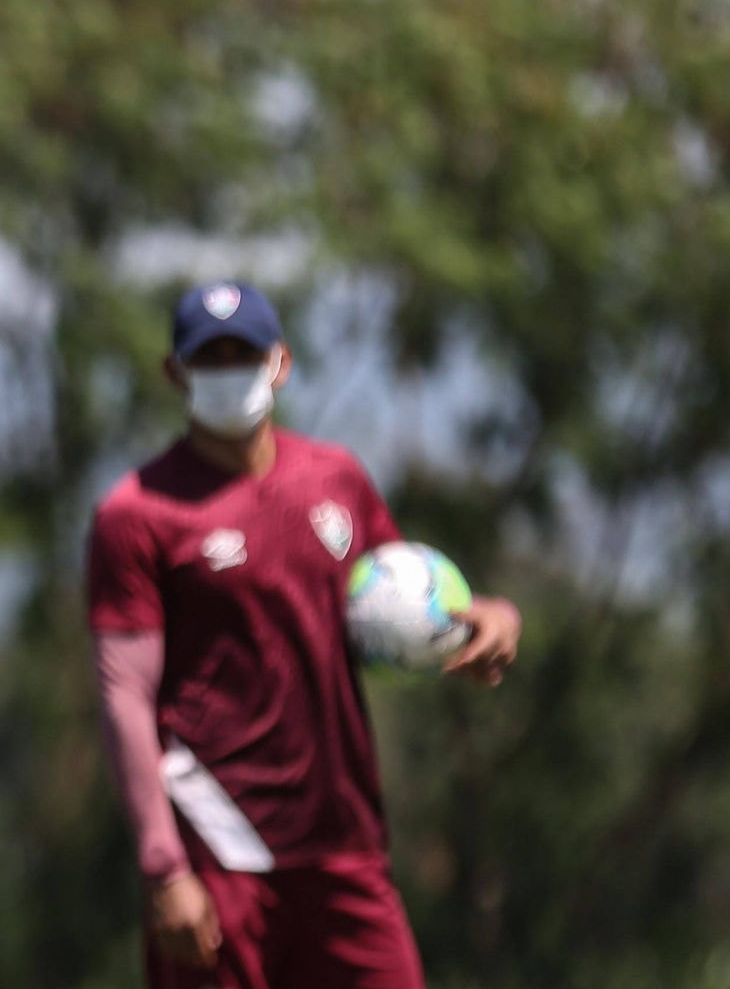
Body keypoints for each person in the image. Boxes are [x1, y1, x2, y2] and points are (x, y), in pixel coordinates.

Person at [86, 281, 521, 989]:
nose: (229, 372)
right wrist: (165, 868)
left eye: (245, 355)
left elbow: (404, 606)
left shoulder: (337, 480)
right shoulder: (136, 515)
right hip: (218, 852)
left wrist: (494, 621)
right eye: (210, 358)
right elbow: (124, 694)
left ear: (281, 363)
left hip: (343, 844)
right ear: (175, 374)